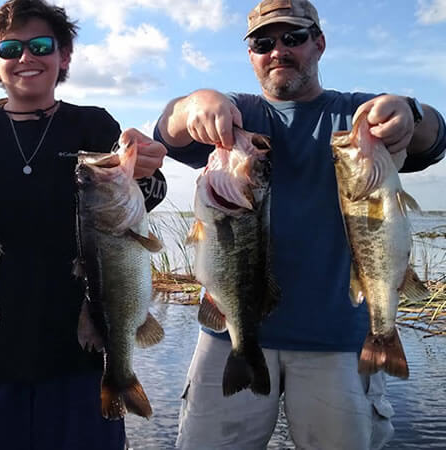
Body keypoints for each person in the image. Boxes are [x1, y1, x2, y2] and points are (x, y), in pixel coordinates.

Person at [154, 0, 446, 449]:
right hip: (230, 332)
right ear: (250, 55)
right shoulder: (236, 117)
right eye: (263, 42)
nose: (278, 50)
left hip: (338, 341)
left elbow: (434, 139)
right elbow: (168, 131)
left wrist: (412, 112)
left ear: (319, 44)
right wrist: (191, 104)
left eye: (294, 38)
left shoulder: (356, 119)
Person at [0, 1, 167, 448]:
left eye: (42, 45)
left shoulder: (93, 125)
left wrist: (148, 171)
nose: (27, 58)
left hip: (81, 356)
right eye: (11, 48)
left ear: (64, 57)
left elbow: (141, 204)